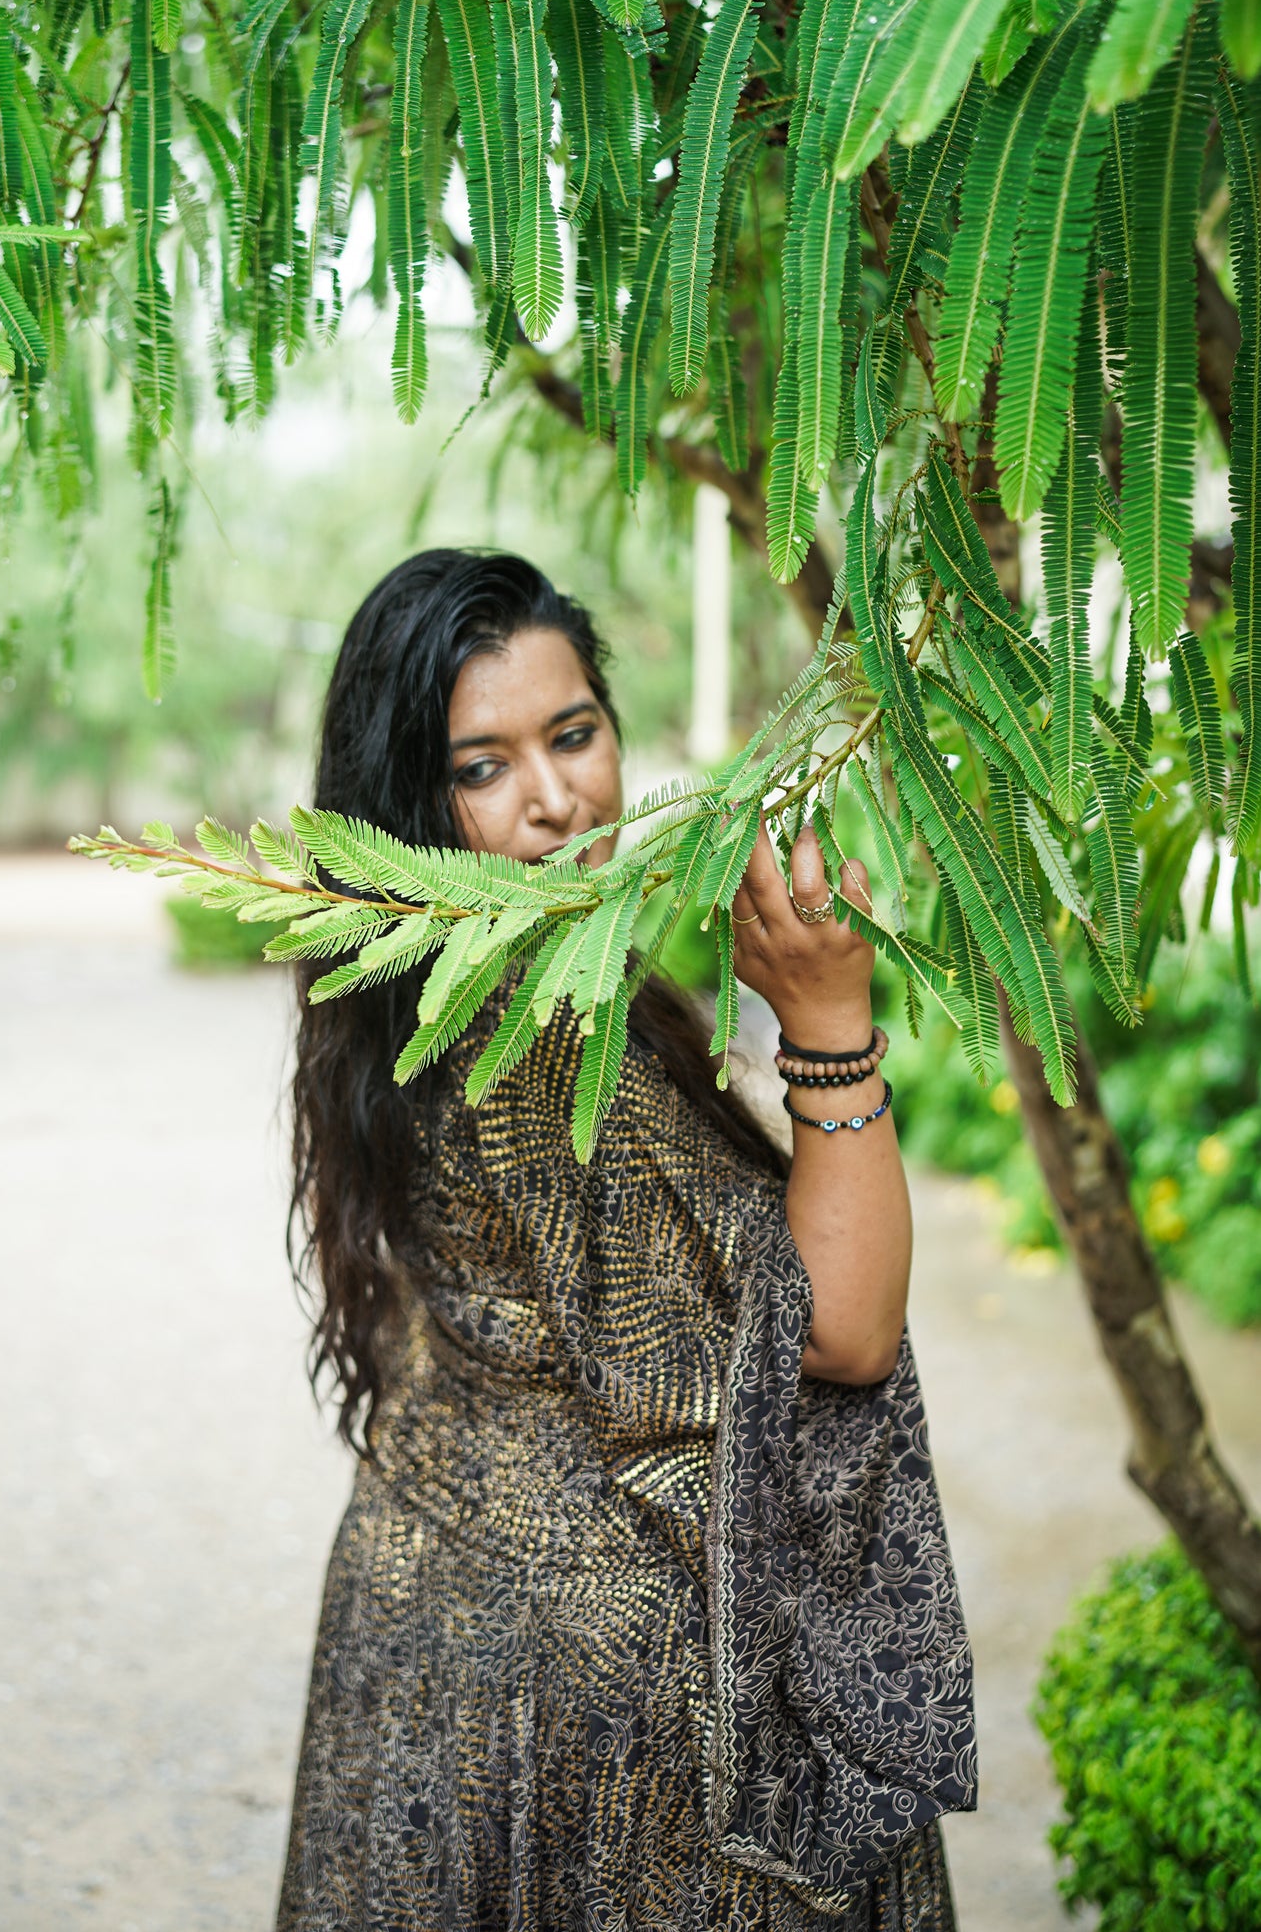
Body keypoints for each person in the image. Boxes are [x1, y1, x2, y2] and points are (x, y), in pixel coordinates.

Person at [276, 548, 975, 1931]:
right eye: (481, 767)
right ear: (404, 802)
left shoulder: (423, 985)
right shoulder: (524, 1034)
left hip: (441, 1635)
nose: (552, 800)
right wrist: (830, 1029)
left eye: (573, 734)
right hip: (598, 1707)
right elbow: (839, 1330)